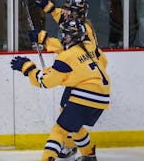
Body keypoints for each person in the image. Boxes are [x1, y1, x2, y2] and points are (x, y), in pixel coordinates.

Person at [11, 19, 110, 161]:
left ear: (74, 37)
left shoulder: (66, 57)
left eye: (66, 35)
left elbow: (45, 82)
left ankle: (47, 158)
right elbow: (103, 62)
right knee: (74, 126)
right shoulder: (90, 45)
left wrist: (28, 68)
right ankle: (89, 155)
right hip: (103, 95)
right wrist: (42, 39)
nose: (63, 37)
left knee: (59, 130)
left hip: (85, 95)